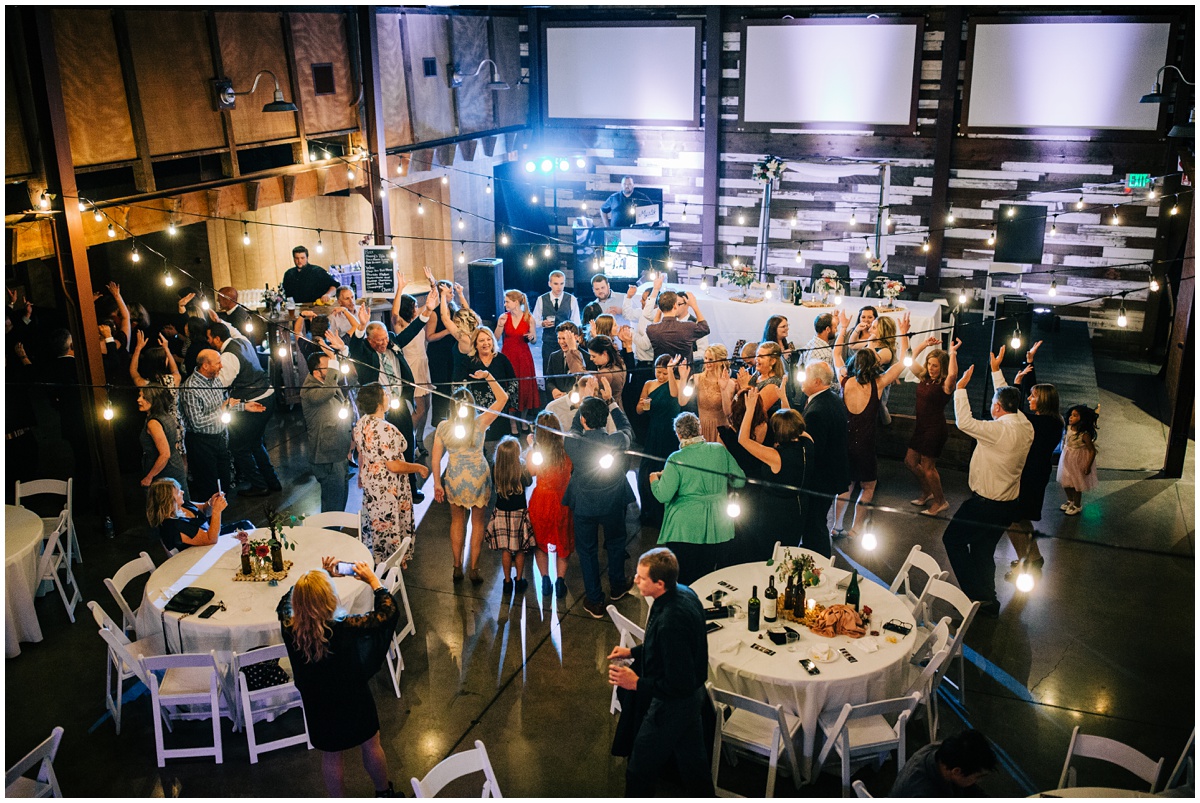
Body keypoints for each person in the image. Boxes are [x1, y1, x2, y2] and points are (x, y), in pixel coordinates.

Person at [277, 562, 399, 797]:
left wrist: (314, 578)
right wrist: (373, 581)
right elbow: (388, 613)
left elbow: (285, 599)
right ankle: (384, 793)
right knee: (371, 746)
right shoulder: (345, 628)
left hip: (318, 704)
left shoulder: (289, 627)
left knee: (331, 757)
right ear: (329, 599)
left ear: (298, 603)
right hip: (353, 698)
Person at [607, 548, 713, 797]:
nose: (635, 580)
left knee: (638, 770)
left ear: (660, 583)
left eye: (641, 578)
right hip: (694, 699)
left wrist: (636, 683)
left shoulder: (670, 623)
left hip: (672, 707)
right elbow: (665, 650)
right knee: (694, 766)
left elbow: (678, 683)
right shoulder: (685, 593)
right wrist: (632, 653)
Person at [941, 363, 1034, 617]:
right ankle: (988, 601)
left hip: (984, 505)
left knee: (953, 539)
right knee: (983, 550)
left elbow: (965, 422)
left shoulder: (997, 430)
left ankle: (974, 595)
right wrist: (995, 372)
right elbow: (1007, 399)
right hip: (1008, 506)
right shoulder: (1025, 426)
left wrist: (960, 389)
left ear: (996, 408)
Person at [349, 291, 439, 503]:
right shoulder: (363, 352)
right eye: (378, 341)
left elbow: (413, 329)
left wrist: (428, 310)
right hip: (378, 410)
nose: (383, 344)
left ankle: (411, 487)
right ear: (370, 340)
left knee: (406, 444)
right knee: (382, 450)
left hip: (398, 404)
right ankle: (386, 488)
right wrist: (361, 326)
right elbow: (354, 346)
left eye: (385, 339)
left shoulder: (393, 343)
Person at [830, 310, 911, 539]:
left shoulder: (844, 379)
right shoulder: (879, 383)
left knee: (846, 487)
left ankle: (836, 526)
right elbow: (904, 359)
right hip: (865, 445)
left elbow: (837, 353)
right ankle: (855, 529)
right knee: (868, 487)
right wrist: (904, 334)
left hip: (845, 442)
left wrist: (843, 328)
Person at [564, 382, 636, 619]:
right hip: (613, 501)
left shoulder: (573, 443)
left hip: (584, 505)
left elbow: (575, 427)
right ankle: (617, 586)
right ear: (605, 420)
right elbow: (627, 427)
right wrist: (611, 402)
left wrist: (582, 402)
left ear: (584, 419)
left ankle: (594, 600)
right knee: (616, 543)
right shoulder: (617, 441)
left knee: (587, 551)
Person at [989, 342, 1061, 577]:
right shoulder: (1050, 419)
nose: (1030, 398)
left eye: (1033, 397)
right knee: (1022, 518)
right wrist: (1029, 363)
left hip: (1030, 475)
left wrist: (1014, 383)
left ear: (1043, 401)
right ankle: (1035, 558)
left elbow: (1015, 412)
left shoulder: (1043, 423)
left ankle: (1024, 562)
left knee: (1010, 518)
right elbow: (1032, 393)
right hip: (1034, 474)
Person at [650, 413, 744, 584]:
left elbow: (663, 495)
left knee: (685, 579)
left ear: (679, 434)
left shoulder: (676, 459)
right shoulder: (719, 450)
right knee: (709, 578)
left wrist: (653, 480)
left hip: (685, 529)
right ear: (699, 428)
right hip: (718, 524)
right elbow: (739, 481)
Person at [433, 374, 509, 584]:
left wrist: (437, 483)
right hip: (478, 476)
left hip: (455, 476)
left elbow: (436, 458)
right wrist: (489, 377)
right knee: (477, 523)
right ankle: (474, 568)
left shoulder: (443, 427)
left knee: (457, 521)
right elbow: (502, 399)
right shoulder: (480, 422)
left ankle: (457, 566)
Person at [352, 383, 429, 569]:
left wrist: (361, 474)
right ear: (379, 403)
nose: (388, 396)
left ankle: (376, 559)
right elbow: (393, 465)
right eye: (385, 394)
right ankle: (391, 564)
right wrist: (418, 467)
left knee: (375, 519)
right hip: (388, 486)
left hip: (372, 482)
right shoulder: (385, 429)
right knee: (389, 521)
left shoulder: (361, 424)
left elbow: (361, 452)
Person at [738, 388, 813, 562]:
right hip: (799, 507)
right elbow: (793, 425)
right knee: (789, 551)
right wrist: (783, 399)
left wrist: (750, 409)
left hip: (775, 514)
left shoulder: (776, 457)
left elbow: (743, 440)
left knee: (770, 554)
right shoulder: (808, 442)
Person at [206, 321, 280, 496]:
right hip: (268, 396)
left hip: (254, 402)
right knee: (255, 442)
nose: (208, 341)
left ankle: (259, 485)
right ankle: (272, 481)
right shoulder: (242, 340)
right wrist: (219, 320)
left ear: (217, 339)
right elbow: (233, 329)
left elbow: (220, 384)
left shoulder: (227, 357)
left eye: (209, 338)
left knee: (238, 446)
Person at [180, 349, 265, 501]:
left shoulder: (216, 380)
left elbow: (225, 404)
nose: (221, 366)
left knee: (225, 481)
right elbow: (197, 422)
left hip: (220, 438)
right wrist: (222, 409)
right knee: (208, 486)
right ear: (205, 366)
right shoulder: (190, 388)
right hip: (201, 443)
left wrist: (244, 406)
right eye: (218, 363)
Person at [798, 361, 849, 558]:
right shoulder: (833, 399)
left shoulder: (816, 412)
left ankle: (818, 560)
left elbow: (813, 451)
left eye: (806, 376)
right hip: (833, 473)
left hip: (821, 478)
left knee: (815, 523)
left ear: (817, 381)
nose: (802, 379)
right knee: (818, 521)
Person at [905, 336, 960, 517]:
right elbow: (910, 361)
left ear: (941, 366)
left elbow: (953, 374)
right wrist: (924, 345)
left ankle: (940, 501)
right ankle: (927, 492)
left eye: (935, 365)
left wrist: (953, 353)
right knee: (911, 462)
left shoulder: (945, 384)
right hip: (921, 427)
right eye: (929, 364)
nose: (930, 368)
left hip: (935, 430)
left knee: (928, 467)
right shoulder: (924, 376)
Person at [526, 411, 573, 600]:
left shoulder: (536, 454)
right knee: (563, 542)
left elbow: (531, 473)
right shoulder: (566, 451)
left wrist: (532, 447)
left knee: (540, 544)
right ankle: (560, 580)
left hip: (541, 502)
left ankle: (545, 578)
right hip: (563, 501)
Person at [301, 347, 353, 513]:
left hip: (338, 451)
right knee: (333, 504)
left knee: (341, 497)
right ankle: (331, 535)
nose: (332, 369)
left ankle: (336, 533)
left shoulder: (327, 382)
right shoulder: (310, 390)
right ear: (316, 372)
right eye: (328, 366)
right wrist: (334, 363)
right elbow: (328, 392)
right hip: (326, 456)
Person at [637, 355, 687, 527]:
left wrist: (672, 375)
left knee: (668, 470)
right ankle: (649, 511)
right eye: (658, 372)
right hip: (654, 430)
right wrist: (646, 404)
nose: (660, 377)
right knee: (646, 470)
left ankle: (669, 512)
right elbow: (639, 410)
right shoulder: (649, 385)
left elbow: (676, 397)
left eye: (664, 373)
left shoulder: (677, 384)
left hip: (671, 432)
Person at [484, 436, 536, 594]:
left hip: (501, 513)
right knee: (520, 551)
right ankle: (519, 580)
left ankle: (507, 582)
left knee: (506, 551)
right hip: (518, 514)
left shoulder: (495, 469)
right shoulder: (521, 470)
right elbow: (529, 481)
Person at [130, 330, 186, 459]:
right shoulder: (173, 380)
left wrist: (138, 348)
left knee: (157, 454)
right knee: (180, 456)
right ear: (164, 362)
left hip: (156, 424)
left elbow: (133, 371)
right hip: (174, 423)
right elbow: (175, 370)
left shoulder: (146, 384)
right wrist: (166, 348)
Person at [890, 729, 996, 797]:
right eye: (977, 777)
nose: (979, 781)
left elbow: (969, 788)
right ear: (956, 771)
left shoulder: (943, 751)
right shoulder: (922, 793)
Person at [146, 478, 238, 552]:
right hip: (201, 552)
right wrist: (217, 511)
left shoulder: (182, 505)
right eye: (178, 492)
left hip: (213, 536)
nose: (182, 492)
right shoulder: (173, 525)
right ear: (168, 500)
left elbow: (203, 509)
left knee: (245, 525)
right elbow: (211, 539)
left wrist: (211, 503)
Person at [465, 328, 519, 449]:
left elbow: (514, 381)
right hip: (479, 413)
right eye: (481, 341)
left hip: (500, 411)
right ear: (475, 344)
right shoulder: (469, 362)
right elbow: (463, 385)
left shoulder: (501, 359)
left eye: (489, 339)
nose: (486, 343)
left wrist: (506, 397)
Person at [392, 293, 432, 455]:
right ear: (407, 308)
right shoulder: (400, 324)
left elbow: (427, 307)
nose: (417, 308)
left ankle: (420, 441)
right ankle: (406, 441)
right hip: (412, 366)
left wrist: (432, 287)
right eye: (414, 306)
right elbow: (394, 315)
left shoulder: (416, 321)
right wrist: (400, 288)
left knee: (427, 407)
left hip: (423, 364)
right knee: (420, 410)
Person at [495, 289, 539, 430]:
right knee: (510, 388)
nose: (505, 304)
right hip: (508, 357)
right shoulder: (504, 317)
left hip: (524, 357)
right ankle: (512, 422)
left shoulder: (528, 318)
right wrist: (500, 325)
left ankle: (523, 420)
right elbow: (495, 339)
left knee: (524, 389)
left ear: (515, 302)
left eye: (507, 301)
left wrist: (532, 337)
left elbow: (534, 340)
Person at [137, 386, 189, 496]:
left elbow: (165, 454)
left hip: (164, 471)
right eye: (140, 396)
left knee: (167, 507)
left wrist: (149, 477)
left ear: (154, 401)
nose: (139, 400)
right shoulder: (167, 416)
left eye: (144, 397)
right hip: (174, 464)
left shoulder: (153, 423)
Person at [531, 270, 580, 378]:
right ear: (550, 284)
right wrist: (542, 323)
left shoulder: (571, 299)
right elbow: (534, 320)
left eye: (562, 283)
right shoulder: (541, 299)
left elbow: (576, 322)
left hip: (566, 342)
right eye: (556, 284)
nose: (559, 287)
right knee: (548, 371)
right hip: (549, 342)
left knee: (566, 371)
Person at [1058, 403, 1099, 516]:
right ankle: (1070, 500)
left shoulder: (1084, 435)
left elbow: (1092, 450)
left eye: (1075, 415)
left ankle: (1077, 504)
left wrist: (1088, 465)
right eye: (1071, 414)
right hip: (1067, 459)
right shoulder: (1068, 428)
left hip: (1077, 461)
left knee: (1076, 483)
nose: (1071, 417)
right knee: (1065, 481)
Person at [646, 290, 709, 363]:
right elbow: (705, 328)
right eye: (677, 304)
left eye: (680, 304)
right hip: (680, 370)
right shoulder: (689, 326)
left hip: (662, 370)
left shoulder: (651, 329)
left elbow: (702, 351)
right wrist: (694, 306)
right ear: (675, 306)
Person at [695, 344, 734, 443]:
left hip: (719, 430)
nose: (707, 362)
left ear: (721, 362)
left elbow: (728, 412)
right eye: (706, 358)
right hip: (701, 428)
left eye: (711, 360)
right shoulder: (697, 378)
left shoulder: (730, 383)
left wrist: (723, 389)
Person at [544, 321, 589, 400]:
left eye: (564, 338)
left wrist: (568, 394)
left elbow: (586, 383)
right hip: (558, 400)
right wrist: (554, 390)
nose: (561, 342)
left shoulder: (587, 357)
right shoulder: (554, 356)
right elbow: (549, 380)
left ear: (575, 337)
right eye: (559, 338)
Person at [587, 335, 627, 413]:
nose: (591, 359)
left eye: (593, 356)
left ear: (604, 354)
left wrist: (572, 351)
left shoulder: (605, 374)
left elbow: (582, 378)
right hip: (618, 408)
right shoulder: (620, 363)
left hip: (606, 412)